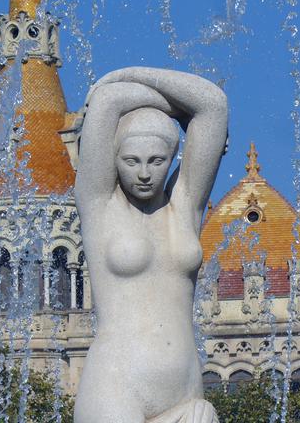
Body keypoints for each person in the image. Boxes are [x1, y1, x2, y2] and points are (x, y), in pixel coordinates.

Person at [74, 67, 228, 423]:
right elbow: (107, 100)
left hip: (186, 392)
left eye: (156, 161)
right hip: (115, 389)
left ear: (173, 158)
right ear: (113, 159)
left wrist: (130, 75)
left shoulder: (185, 206)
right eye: (131, 161)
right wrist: (176, 110)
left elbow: (212, 105)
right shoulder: (100, 205)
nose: (144, 173)